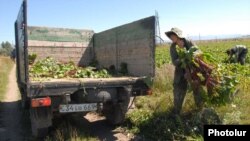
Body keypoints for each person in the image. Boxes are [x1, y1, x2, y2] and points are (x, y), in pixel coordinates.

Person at [165, 27, 203, 115]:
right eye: (170, 37)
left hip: (193, 69)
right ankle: (177, 112)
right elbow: (174, 62)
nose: (171, 38)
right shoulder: (172, 47)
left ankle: (200, 110)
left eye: (173, 36)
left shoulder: (188, 42)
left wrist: (190, 53)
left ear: (178, 35)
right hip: (180, 71)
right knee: (178, 89)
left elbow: (199, 52)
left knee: (197, 88)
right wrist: (182, 58)